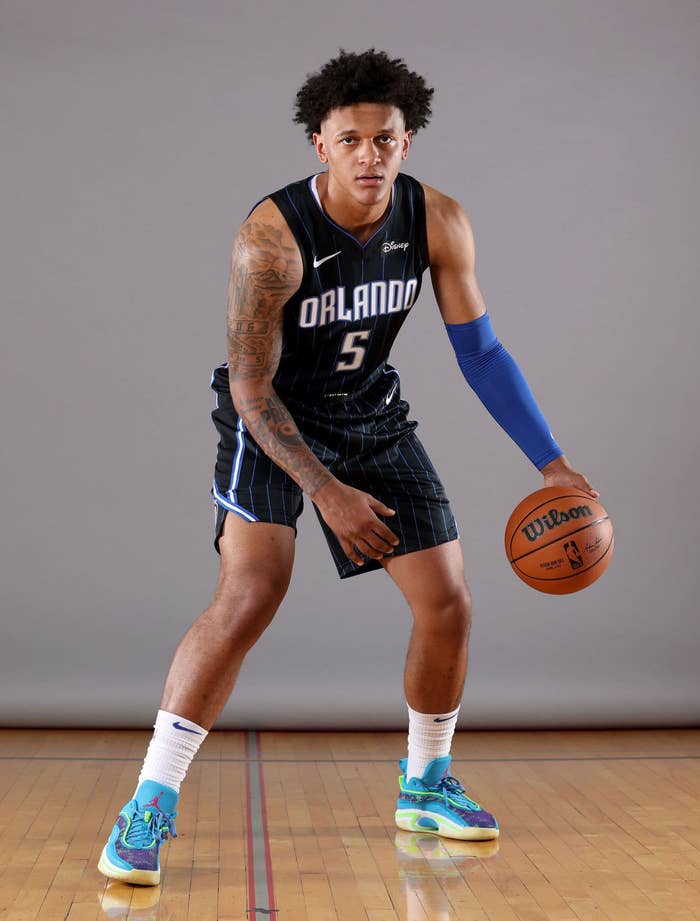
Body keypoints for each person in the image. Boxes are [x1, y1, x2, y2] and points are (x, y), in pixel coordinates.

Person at [98, 49, 598, 886]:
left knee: (448, 602)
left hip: (367, 409)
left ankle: (425, 783)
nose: (370, 154)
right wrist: (324, 492)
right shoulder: (271, 238)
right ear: (320, 146)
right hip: (276, 418)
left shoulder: (437, 219)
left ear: (409, 142)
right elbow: (253, 391)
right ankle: (148, 802)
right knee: (252, 591)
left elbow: (480, 353)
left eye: (386, 138)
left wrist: (552, 461)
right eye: (351, 139)